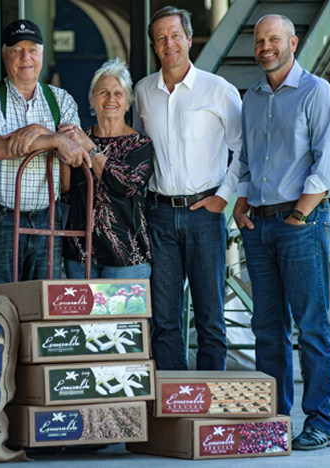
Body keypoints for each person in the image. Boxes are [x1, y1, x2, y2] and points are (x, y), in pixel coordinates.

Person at [233, 14, 330, 450]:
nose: (266, 47)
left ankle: (320, 421)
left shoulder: (318, 93)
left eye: (274, 39)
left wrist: (298, 217)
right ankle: (274, 418)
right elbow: (247, 161)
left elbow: (326, 166)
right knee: (267, 328)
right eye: (260, 40)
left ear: (293, 43)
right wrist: (242, 203)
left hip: (302, 224)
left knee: (311, 326)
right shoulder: (252, 97)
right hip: (259, 225)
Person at [133, 6, 242, 370]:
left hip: (204, 214)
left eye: (176, 35)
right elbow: (138, 149)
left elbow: (244, 150)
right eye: (161, 38)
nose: (169, 44)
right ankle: (174, 397)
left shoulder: (218, 90)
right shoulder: (143, 92)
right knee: (164, 319)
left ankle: (209, 398)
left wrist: (223, 198)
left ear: (190, 39)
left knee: (210, 317)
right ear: (154, 45)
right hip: (159, 215)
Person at [0, 19, 90, 286]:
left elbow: (74, 153)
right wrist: (54, 139)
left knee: (42, 301)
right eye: (17, 50)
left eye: (33, 50)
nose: (26, 58)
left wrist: (38, 133)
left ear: (42, 55)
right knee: (0, 301)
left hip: (48, 217)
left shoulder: (61, 99)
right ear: (4, 55)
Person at [59, 58, 154, 279]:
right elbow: (66, 192)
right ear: (92, 100)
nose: (111, 98)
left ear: (128, 103)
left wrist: (90, 148)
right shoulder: (79, 138)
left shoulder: (140, 145)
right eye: (103, 92)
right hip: (80, 254)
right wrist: (61, 149)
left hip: (126, 258)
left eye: (118, 93)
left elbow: (125, 185)